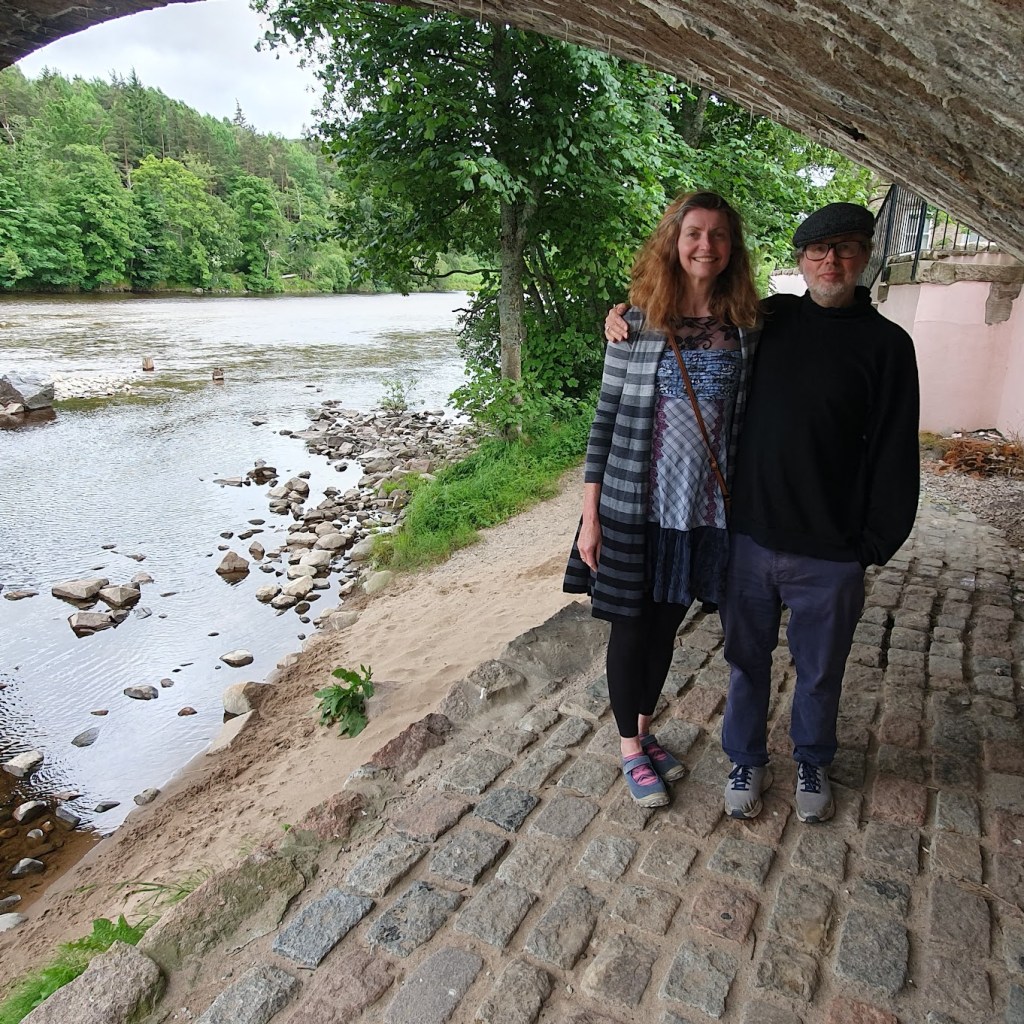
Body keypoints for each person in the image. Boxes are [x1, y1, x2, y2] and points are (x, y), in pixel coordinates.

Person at [605, 202, 920, 823]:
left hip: (831, 549)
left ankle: (812, 758)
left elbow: (894, 449)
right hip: (746, 536)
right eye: (818, 251)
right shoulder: (765, 319)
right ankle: (744, 757)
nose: (832, 261)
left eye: (847, 249)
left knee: (820, 670)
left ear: (866, 257)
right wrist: (619, 313)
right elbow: (685, 307)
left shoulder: (888, 345)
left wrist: (873, 545)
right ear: (800, 261)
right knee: (745, 662)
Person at [564, 190, 761, 807]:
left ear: (732, 250)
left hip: (703, 511)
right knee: (630, 627)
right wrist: (588, 519)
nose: (707, 245)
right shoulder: (637, 324)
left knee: (666, 626)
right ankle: (628, 748)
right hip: (632, 506)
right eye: (695, 233)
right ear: (675, 243)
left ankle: (644, 731)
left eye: (719, 235)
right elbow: (603, 424)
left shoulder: (748, 330)